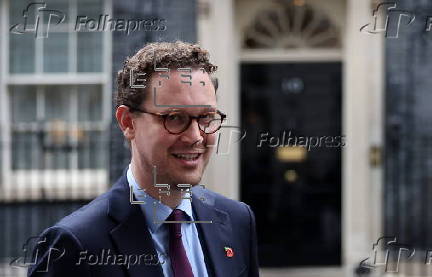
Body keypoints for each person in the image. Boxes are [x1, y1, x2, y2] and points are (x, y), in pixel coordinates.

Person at [28, 41, 259, 277]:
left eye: (207, 117)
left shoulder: (238, 221)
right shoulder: (73, 245)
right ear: (128, 122)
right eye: (175, 117)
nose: (196, 136)